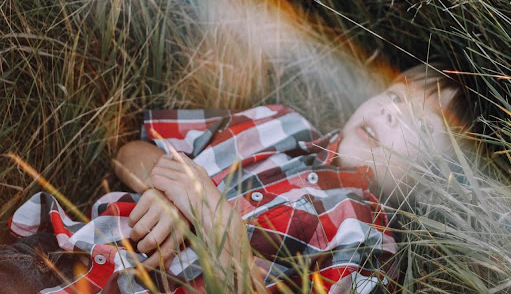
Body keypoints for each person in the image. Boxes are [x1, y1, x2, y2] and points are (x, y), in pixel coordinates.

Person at [5, 65, 471, 293]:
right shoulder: (281, 122)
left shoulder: (369, 239)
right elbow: (129, 153)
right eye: (394, 95)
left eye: (418, 124)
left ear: (432, 181)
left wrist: (217, 223)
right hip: (65, 257)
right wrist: (171, 190)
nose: (390, 112)